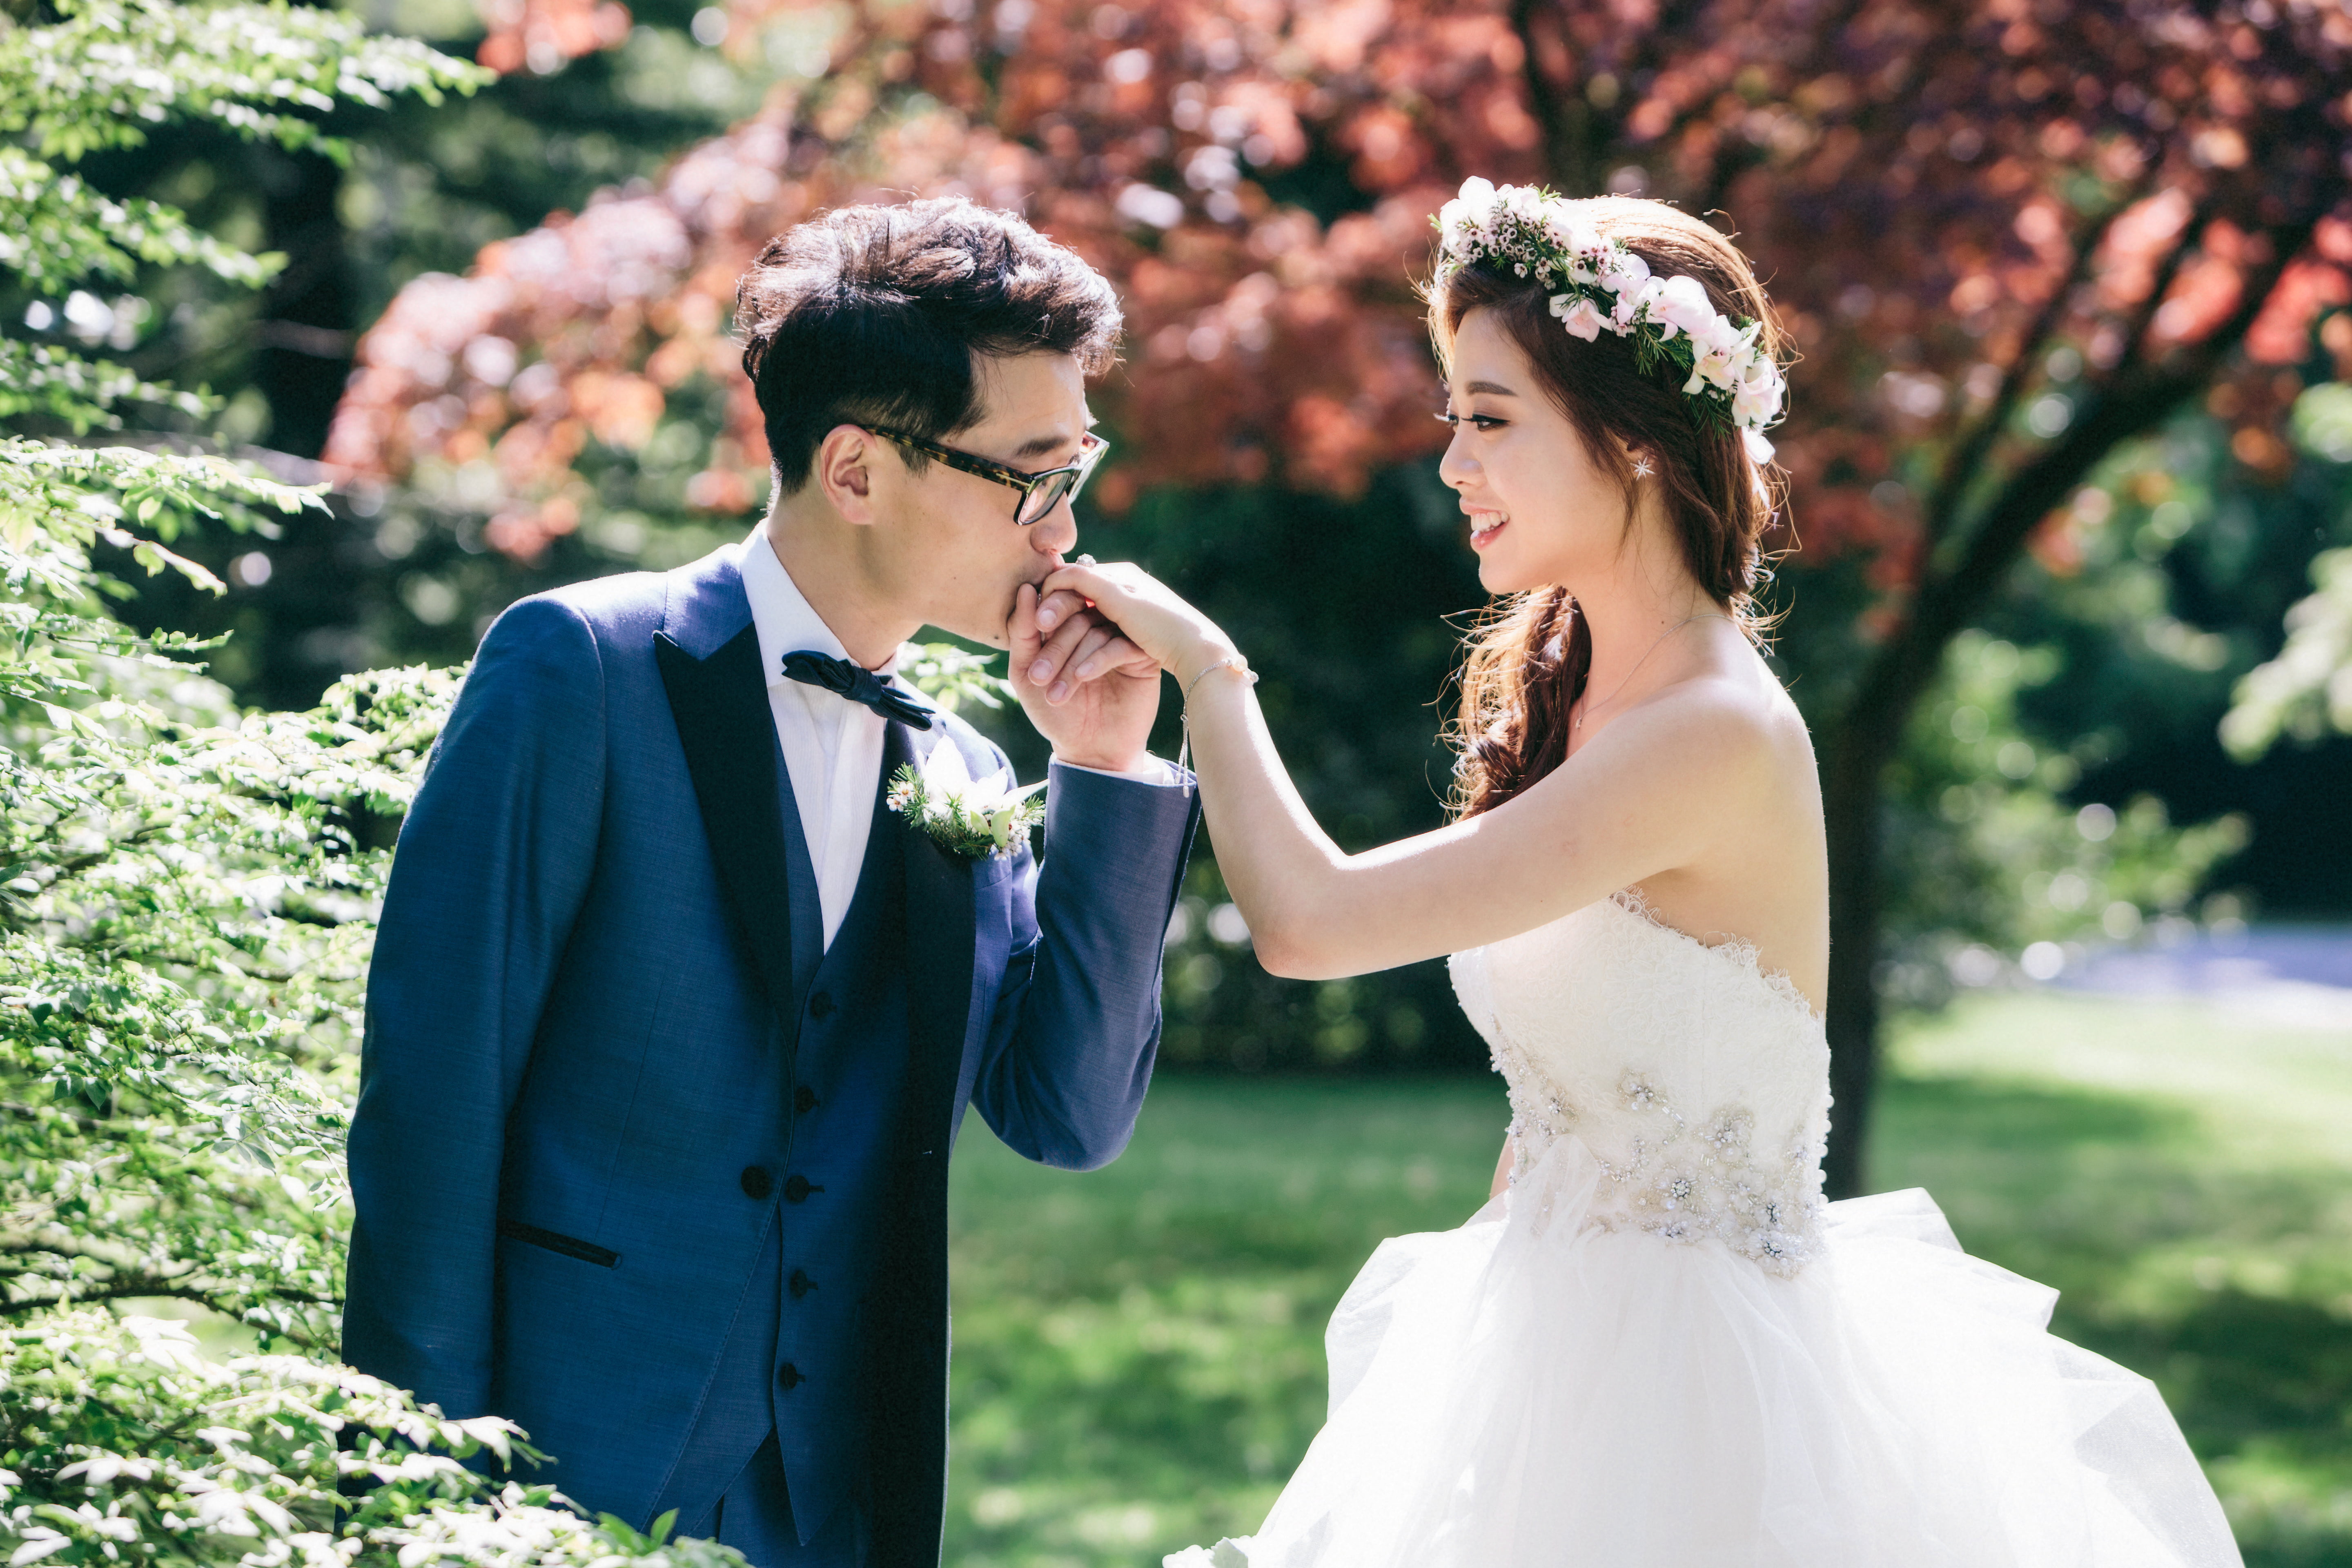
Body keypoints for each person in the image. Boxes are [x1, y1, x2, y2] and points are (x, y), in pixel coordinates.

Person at [1043, 182, 2243, 1566]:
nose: (1453, 464)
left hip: (1709, 1412)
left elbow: (1311, 924)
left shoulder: (1710, 733)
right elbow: (1574, 1097)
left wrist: (1210, 674)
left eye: (1492, 419)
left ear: (1631, 441)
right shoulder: (1588, 701)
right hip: (1553, 1362)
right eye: (1453, 417)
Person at [343, 198, 1198, 1568]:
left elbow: (1071, 1116)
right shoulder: (581, 669)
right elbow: (432, 1110)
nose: (1063, 532)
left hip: (834, 1499)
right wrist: (419, 1499)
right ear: (855, 470)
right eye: (1031, 478)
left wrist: (1104, 768)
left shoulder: (970, 768)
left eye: (1074, 471)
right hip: (560, 1462)